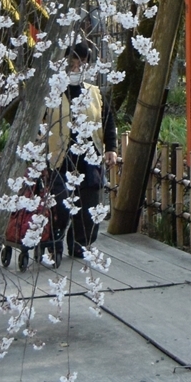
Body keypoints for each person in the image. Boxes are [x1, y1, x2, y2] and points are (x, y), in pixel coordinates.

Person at [48, 38, 116, 260]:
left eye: (82, 64)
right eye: (72, 64)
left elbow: (107, 120)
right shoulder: (52, 92)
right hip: (59, 156)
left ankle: (81, 244)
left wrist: (111, 148)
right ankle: (54, 243)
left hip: (90, 156)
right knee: (60, 203)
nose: (77, 69)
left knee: (89, 203)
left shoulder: (94, 92)